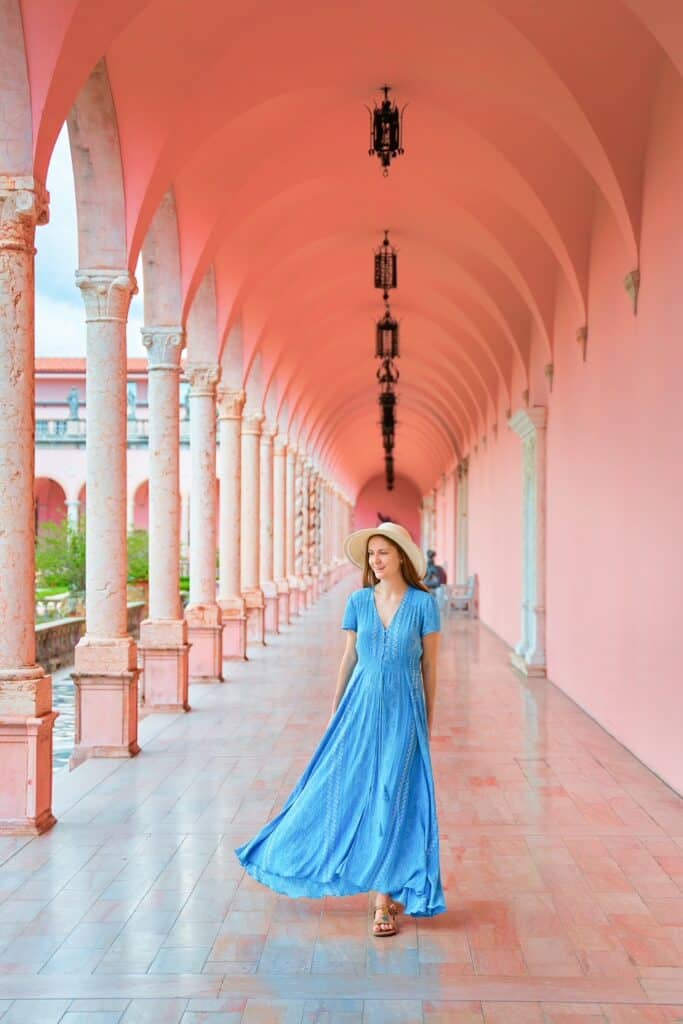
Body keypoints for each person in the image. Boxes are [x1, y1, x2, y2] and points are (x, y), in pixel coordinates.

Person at [235, 521, 446, 937]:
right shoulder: (358, 601)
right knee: (342, 790)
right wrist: (335, 714)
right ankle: (287, 852)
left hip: (405, 709)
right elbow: (349, 660)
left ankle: (382, 899)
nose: (376, 561)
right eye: (371, 555)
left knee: (392, 794)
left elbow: (430, 668)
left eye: (383, 552)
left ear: (401, 556)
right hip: (359, 707)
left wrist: (428, 723)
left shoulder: (424, 605)